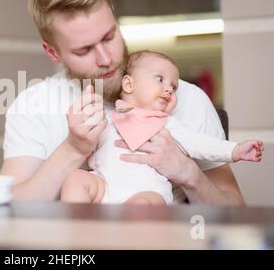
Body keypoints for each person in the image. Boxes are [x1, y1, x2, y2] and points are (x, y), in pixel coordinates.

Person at [0, 0, 246, 205]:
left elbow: (235, 213)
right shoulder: (33, 105)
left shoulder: (186, 98)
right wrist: (73, 150)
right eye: (83, 50)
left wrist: (188, 173)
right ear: (52, 52)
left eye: (109, 36)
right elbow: (7, 206)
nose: (105, 59)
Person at [60, 50, 263, 205]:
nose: (168, 88)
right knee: (75, 179)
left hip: (148, 192)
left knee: (141, 207)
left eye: (173, 87)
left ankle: (120, 238)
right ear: (129, 85)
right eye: (160, 79)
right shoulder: (109, 117)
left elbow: (200, 144)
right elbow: (91, 150)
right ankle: (79, 237)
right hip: (105, 186)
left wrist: (234, 150)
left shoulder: (165, 124)